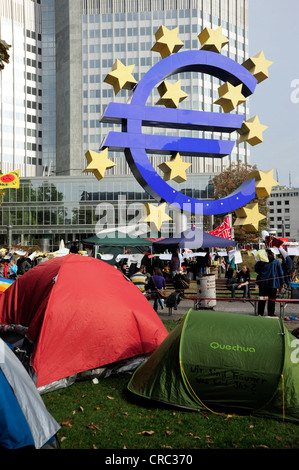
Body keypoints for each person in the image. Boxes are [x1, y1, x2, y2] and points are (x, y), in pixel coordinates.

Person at [255, 249, 284, 316]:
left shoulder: (262, 261)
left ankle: (261, 313)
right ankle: (269, 313)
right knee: (270, 300)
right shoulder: (276, 262)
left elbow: (256, 270)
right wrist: (281, 284)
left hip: (265, 283)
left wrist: (281, 284)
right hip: (271, 284)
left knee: (265, 300)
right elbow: (281, 273)